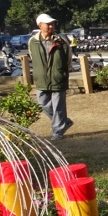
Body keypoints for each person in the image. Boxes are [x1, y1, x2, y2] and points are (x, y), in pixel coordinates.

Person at [28, 13, 73, 141]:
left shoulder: (61, 41)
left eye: (52, 24)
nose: (51, 26)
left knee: (58, 106)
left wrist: (61, 72)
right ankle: (65, 122)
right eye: (48, 24)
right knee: (43, 103)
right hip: (42, 80)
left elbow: (68, 59)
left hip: (58, 78)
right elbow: (32, 57)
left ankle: (58, 132)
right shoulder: (33, 41)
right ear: (39, 25)